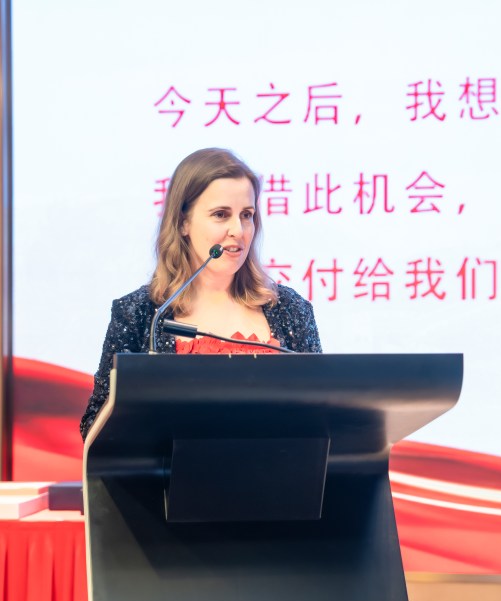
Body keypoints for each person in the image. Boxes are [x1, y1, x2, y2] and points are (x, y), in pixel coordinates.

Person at [79, 148, 322, 440]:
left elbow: (321, 417)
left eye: (247, 215)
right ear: (183, 222)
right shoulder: (141, 313)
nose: (238, 230)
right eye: (221, 215)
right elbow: (94, 426)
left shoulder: (289, 309)